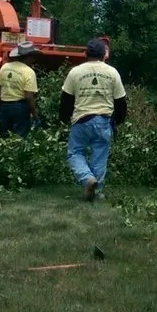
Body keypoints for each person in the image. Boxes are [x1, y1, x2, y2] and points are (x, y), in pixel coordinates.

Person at [59, 38, 128, 201]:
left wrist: (64, 118)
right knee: (99, 156)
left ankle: (87, 178)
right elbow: (120, 101)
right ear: (104, 53)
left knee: (75, 153)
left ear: (86, 53)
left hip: (81, 120)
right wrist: (118, 120)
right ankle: (96, 193)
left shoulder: (75, 72)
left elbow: (66, 99)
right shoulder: (112, 72)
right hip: (104, 120)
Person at [0, 42, 40, 137]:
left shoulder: (5, 67)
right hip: (20, 108)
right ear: (28, 57)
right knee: (19, 138)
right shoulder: (29, 72)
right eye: (33, 57)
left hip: (5, 106)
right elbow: (28, 97)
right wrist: (35, 115)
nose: (34, 59)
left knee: (5, 136)